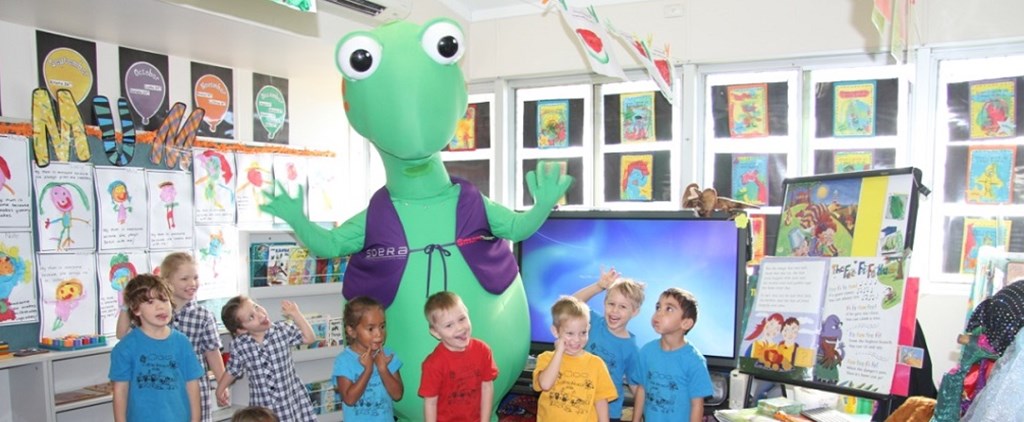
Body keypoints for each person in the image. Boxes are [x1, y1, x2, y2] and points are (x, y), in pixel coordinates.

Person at [115, 252, 225, 422]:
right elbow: (122, 335)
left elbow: (213, 353)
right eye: (184, 279)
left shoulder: (202, 316)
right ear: (167, 281)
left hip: (193, 389)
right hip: (154, 400)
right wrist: (127, 303)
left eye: (195, 277)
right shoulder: (151, 317)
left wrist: (222, 384)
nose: (192, 283)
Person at [109, 274, 204, 422]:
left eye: (164, 300)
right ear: (136, 310)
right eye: (151, 302)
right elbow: (120, 390)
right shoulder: (126, 347)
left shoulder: (182, 343)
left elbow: (192, 385)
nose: (160, 306)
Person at [216, 296, 317, 421]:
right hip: (262, 407)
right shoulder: (240, 345)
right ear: (241, 329)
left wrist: (296, 315)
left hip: (290, 402)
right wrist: (220, 389)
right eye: (251, 317)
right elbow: (232, 370)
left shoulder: (282, 330)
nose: (260, 315)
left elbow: (310, 338)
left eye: (256, 307)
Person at [571, 267, 645, 422]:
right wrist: (599, 286)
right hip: (577, 403)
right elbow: (571, 304)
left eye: (623, 306)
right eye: (611, 303)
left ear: (635, 312)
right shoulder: (594, 322)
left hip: (609, 413)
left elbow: (635, 386)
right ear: (604, 303)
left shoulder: (632, 348)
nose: (614, 311)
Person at [633, 288, 713, 422]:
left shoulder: (694, 360)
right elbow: (642, 389)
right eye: (658, 307)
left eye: (668, 309)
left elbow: (697, 405)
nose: (659, 313)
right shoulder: (647, 351)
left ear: (686, 323)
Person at [533, 296, 618, 421]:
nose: (577, 340)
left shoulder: (596, 364)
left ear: (588, 329)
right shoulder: (546, 359)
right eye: (570, 333)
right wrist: (559, 353)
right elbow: (545, 384)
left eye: (583, 333)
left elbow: (601, 402)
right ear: (555, 332)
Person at [419, 291, 498, 422]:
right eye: (449, 325)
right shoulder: (433, 364)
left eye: (462, 319)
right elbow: (430, 403)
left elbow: (487, 387)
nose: (460, 328)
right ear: (436, 332)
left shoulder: (483, 351)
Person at [332, 296, 404, 421]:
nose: (379, 334)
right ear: (352, 331)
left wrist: (382, 368)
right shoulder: (343, 361)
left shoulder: (387, 355)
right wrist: (368, 370)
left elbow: (397, 394)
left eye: (382, 326)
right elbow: (349, 399)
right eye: (371, 329)